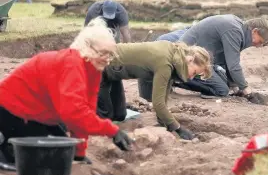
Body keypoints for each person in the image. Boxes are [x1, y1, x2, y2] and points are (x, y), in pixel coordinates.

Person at [0, 17, 133, 165]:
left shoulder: (93, 68)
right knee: (47, 159)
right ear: (86, 47)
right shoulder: (72, 65)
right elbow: (74, 114)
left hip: (36, 114)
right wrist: (112, 131)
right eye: (103, 53)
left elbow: (85, 109)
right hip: (11, 110)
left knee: (64, 152)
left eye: (110, 54)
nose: (107, 59)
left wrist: (79, 153)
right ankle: (5, 147)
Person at [97, 41, 212, 140]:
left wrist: (165, 122)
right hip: (98, 66)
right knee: (106, 116)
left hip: (113, 76)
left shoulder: (175, 56)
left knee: (119, 115)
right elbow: (158, 104)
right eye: (195, 72)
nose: (191, 78)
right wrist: (178, 129)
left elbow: (163, 98)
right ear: (190, 60)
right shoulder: (165, 63)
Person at [177, 14, 268, 101]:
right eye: (261, 42)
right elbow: (233, 65)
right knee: (221, 90)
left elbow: (227, 60)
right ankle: (175, 78)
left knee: (224, 82)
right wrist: (246, 89)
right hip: (188, 58)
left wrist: (235, 87)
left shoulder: (238, 28)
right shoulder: (234, 31)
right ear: (255, 31)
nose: (258, 46)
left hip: (201, 58)